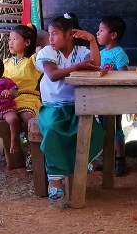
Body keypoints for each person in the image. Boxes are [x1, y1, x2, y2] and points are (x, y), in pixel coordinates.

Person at [35, 13, 105, 202]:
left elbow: (96, 63)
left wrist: (91, 39)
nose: (50, 38)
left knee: (93, 129)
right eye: (49, 34)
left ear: (69, 34)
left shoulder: (81, 52)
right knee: (52, 129)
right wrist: (78, 67)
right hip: (52, 107)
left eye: (55, 34)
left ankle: (82, 164)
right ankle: (54, 180)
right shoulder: (47, 53)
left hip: (76, 105)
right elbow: (53, 75)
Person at [2, 24, 42, 167]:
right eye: (10, 39)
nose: (10, 42)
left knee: (27, 118)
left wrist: (38, 48)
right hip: (8, 99)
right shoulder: (6, 63)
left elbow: (41, 55)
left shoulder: (32, 61)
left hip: (27, 97)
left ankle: (32, 153)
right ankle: (13, 153)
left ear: (27, 42)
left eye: (15, 39)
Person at [97, 15, 130, 176]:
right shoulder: (100, 53)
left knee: (116, 128)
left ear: (113, 35)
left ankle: (120, 160)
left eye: (101, 30)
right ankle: (108, 158)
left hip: (115, 97)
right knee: (104, 128)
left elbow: (124, 76)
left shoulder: (119, 54)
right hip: (101, 97)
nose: (97, 33)